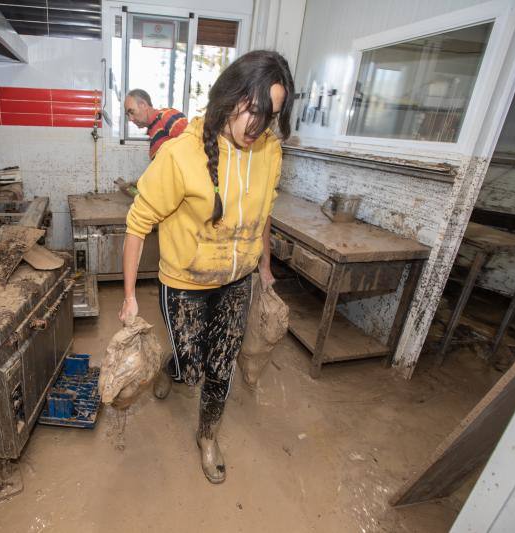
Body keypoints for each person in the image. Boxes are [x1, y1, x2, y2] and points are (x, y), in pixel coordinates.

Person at [119, 50, 294, 484]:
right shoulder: (180, 154)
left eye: (269, 115)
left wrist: (265, 269)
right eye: (252, 110)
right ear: (229, 96)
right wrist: (126, 299)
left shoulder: (270, 151)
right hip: (183, 283)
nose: (257, 127)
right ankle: (172, 367)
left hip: (237, 280)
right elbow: (138, 223)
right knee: (191, 364)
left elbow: (264, 213)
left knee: (221, 364)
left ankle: (208, 435)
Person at [124, 89, 188, 160]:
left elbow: (193, 144)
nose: (130, 119)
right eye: (128, 115)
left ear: (143, 105)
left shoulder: (166, 116)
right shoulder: (153, 129)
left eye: (132, 112)